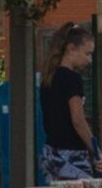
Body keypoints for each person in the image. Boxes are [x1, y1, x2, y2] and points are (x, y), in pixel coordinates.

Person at [41, 26, 98, 179]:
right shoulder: (72, 79)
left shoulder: (48, 78)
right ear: (71, 49)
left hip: (51, 151)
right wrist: (95, 149)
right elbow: (78, 119)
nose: (89, 60)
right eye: (87, 54)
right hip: (72, 154)